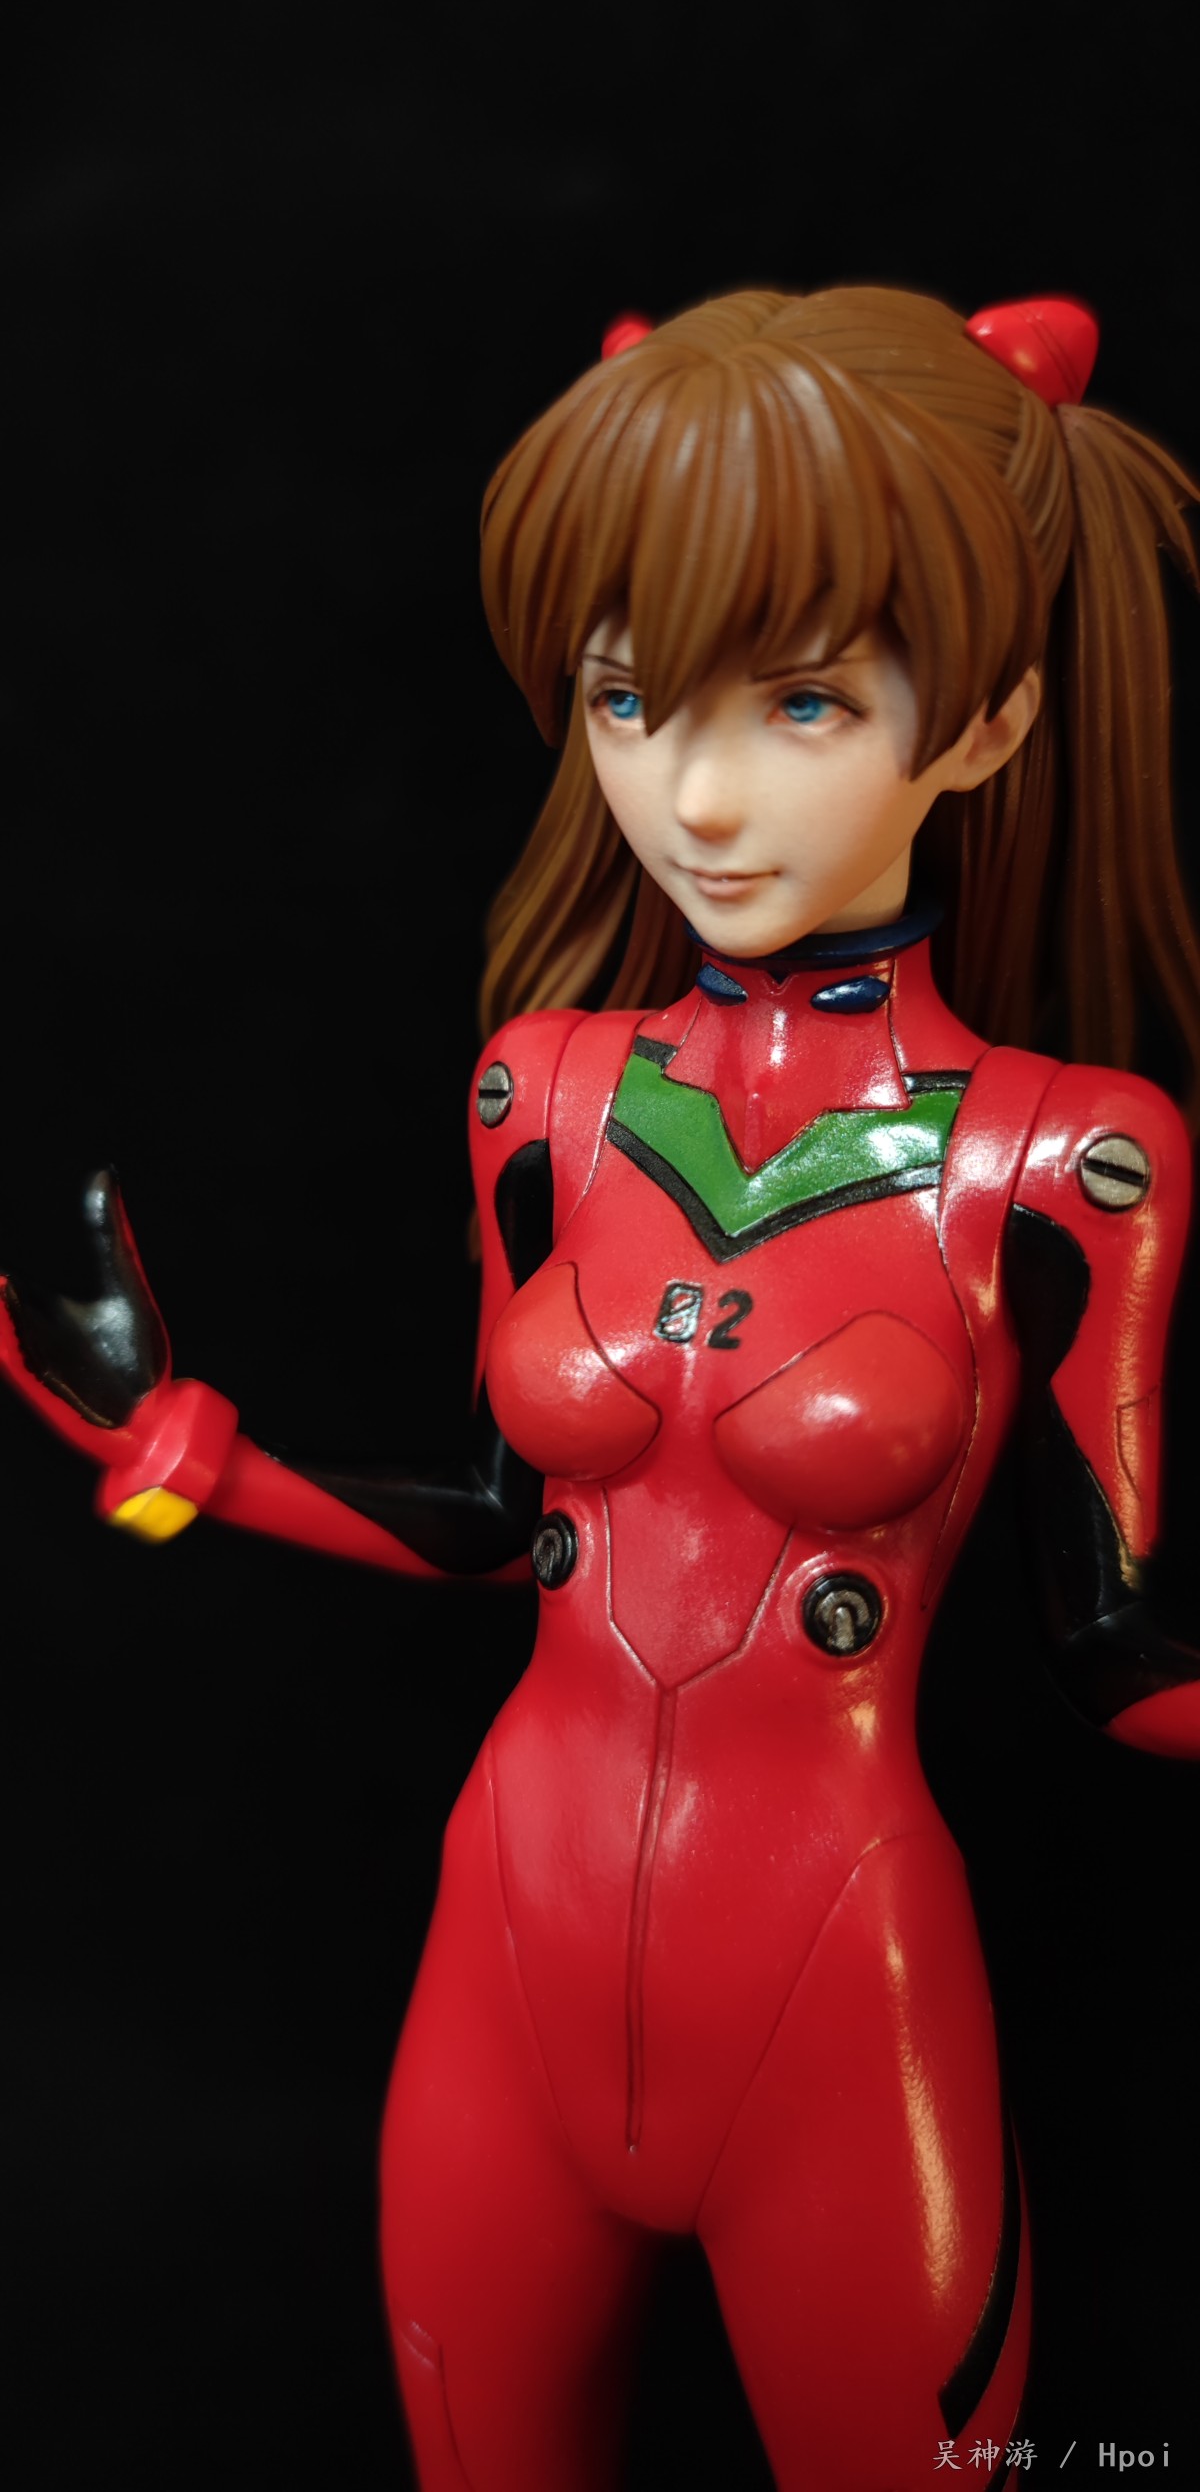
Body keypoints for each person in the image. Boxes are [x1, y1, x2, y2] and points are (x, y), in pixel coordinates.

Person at [4, 285, 1200, 2491]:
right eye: (632, 698)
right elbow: (498, 1517)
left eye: (807, 699)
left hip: (836, 1993)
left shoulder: (1063, 1157)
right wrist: (185, 1463)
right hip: (507, 1956)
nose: (696, 793)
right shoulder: (538, 1095)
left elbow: (1115, 1652)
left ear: (990, 720)